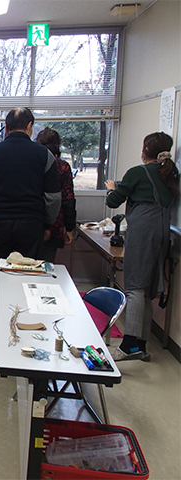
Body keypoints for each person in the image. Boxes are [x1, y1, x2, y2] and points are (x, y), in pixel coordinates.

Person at [0, 107, 61, 354]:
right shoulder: (44, 155)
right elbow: (53, 198)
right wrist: (46, 224)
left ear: (6, 125)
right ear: (30, 125)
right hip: (31, 225)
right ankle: (25, 334)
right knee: (29, 281)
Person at [105, 132, 178, 362]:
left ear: (145, 150)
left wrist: (111, 188)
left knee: (134, 286)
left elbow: (113, 201)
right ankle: (142, 345)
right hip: (163, 232)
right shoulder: (171, 174)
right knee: (146, 289)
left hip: (144, 232)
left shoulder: (138, 172)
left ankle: (128, 346)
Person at [35, 128, 76, 263]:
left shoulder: (31, 163)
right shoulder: (62, 166)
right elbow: (68, 199)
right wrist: (69, 228)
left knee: (25, 265)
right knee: (46, 265)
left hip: (30, 221)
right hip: (55, 224)